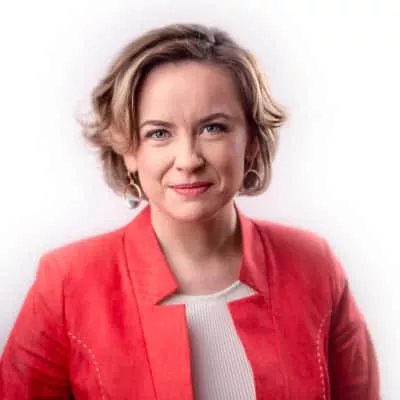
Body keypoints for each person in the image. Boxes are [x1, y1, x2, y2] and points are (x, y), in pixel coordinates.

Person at [0, 23, 380, 399]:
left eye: (213, 128)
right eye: (159, 133)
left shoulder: (314, 265)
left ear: (251, 140)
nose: (188, 160)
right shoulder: (66, 284)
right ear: (128, 151)